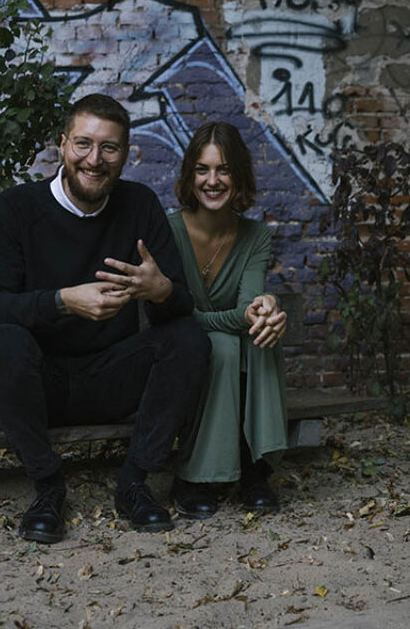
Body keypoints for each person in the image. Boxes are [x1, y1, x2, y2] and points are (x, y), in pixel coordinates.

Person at [0, 94, 210, 544]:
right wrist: (62, 301)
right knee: (2, 344)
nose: (94, 160)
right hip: (38, 383)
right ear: (63, 145)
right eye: (83, 144)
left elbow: (179, 303)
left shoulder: (139, 205)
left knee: (188, 337)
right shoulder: (16, 208)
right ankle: (48, 487)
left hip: (110, 377)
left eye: (109, 148)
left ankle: (133, 482)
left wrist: (160, 290)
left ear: (126, 153)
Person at [167, 121, 289, 520]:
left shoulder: (255, 236)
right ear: (190, 175)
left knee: (261, 333)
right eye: (202, 169)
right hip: (175, 349)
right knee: (219, 343)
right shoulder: (168, 230)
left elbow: (248, 308)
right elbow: (173, 313)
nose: (213, 181)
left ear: (239, 175)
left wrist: (267, 307)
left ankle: (255, 467)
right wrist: (242, 314)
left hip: (229, 347)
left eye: (224, 170)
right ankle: (195, 475)